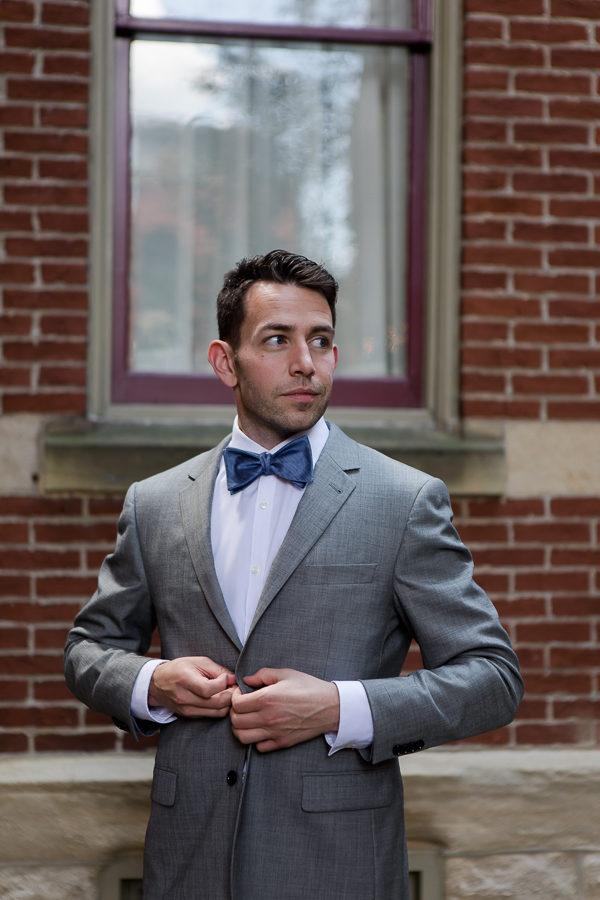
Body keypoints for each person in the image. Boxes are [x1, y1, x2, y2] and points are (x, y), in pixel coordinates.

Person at [64, 249, 523, 900]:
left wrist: (340, 707)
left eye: (322, 341)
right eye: (277, 340)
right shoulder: (155, 502)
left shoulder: (404, 500)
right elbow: (87, 650)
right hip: (186, 865)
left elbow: (493, 679)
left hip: (335, 869)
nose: (306, 363)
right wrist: (151, 682)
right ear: (225, 362)